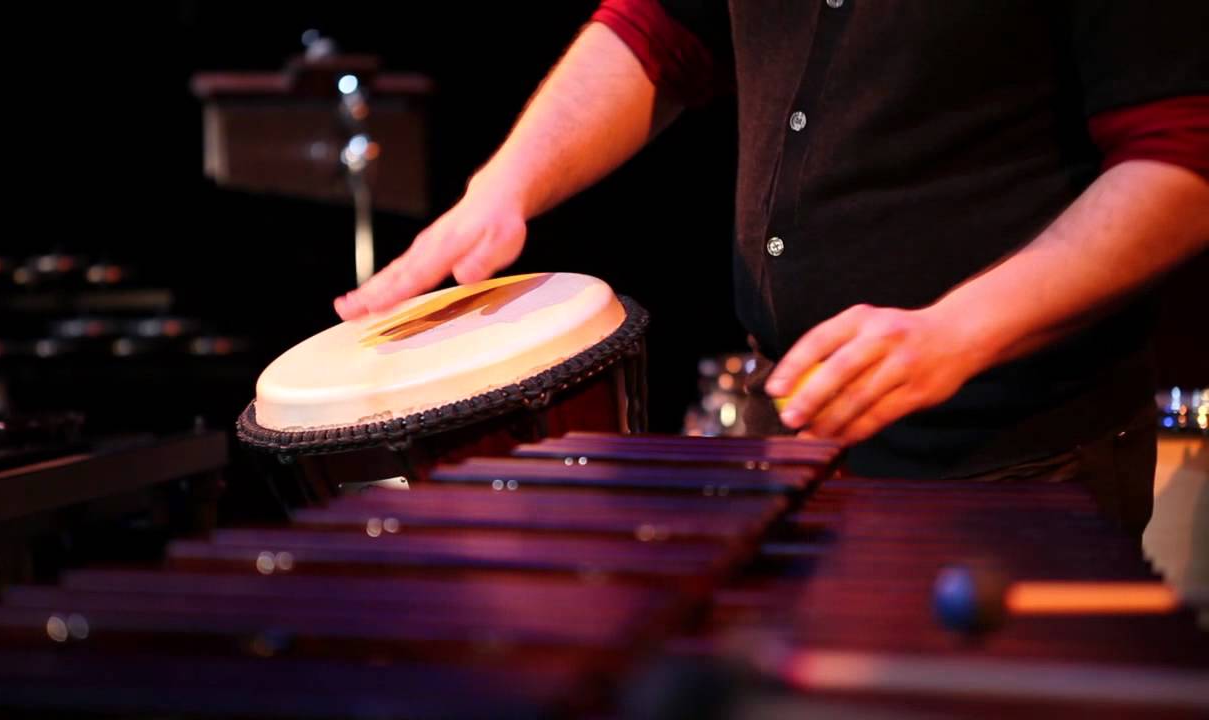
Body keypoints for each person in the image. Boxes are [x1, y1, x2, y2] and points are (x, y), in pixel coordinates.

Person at [334, 1, 1209, 533]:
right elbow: (663, 29)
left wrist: (959, 330)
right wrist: (503, 187)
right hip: (793, 434)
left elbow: (1183, 163)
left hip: (1020, 457)